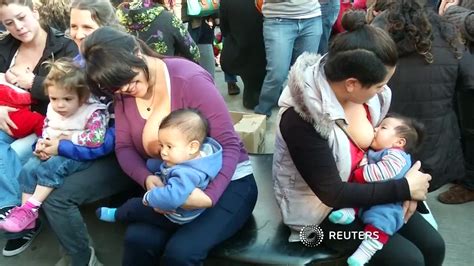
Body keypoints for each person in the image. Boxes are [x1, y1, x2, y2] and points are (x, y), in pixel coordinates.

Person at [273, 9, 444, 265]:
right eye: (378, 85)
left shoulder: (368, 98)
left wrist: (408, 191)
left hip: (368, 191)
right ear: (352, 83)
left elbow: (387, 143)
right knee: (408, 260)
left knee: (433, 246)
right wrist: (405, 187)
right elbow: (333, 194)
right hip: (321, 217)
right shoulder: (301, 118)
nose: (383, 90)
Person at [81, 26, 258, 265]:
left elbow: (229, 144)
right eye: (114, 87)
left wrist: (208, 196)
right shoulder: (122, 93)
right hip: (172, 181)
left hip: (226, 182)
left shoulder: (188, 80)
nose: (123, 90)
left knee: (181, 252)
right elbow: (124, 147)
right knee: (138, 240)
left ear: (136, 50)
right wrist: (146, 179)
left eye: (126, 80)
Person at [0, 0, 78, 257]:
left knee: (14, 151)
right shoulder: (5, 46)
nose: (17, 27)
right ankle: (12, 207)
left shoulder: (64, 46)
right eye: (9, 23)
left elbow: (72, 91)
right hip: (8, 115)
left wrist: (33, 82)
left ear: (35, 12)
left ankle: (21, 218)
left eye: (21, 18)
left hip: (48, 122)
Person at [372, 0, 474, 192]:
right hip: (438, 151)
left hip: (386, 148)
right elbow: (469, 80)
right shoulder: (449, 35)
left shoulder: (380, 30)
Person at [1, 58, 108, 233]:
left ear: (83, 97)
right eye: (54, 98)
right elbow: (48, 126)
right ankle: (25, 213)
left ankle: (31, 207)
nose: (59, 104)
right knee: (29, 168)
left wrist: (68, 138)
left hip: (79, 154)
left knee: (49, 168)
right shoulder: (54, 107)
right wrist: (42, 144)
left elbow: (96, 138)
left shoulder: (93, 111)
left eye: (67, 99)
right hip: (54, 149)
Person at [97, 108, 222, 226]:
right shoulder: (200, 155)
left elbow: (171, 198)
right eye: (162, 145)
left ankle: (117, 214)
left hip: (175, 215)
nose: (163, 151)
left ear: (192, 147)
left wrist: (148, 197)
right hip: (176, 186)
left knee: (134, 205)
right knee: (151, 163)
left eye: (169, 146)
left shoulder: (187, 173)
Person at [329, 114, 424, 265]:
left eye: (383, 127)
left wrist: (362, 173)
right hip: (369, 194)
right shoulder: (378, 151)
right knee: (357, 198)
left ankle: (365, 251)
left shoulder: (396, 155)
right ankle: (349, 211)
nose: (375, 129)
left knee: (381, 223)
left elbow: (387, 171)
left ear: (399, 142)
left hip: (387, 204)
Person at [254, 0, 323, 117]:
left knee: (306, 73)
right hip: (278, 19)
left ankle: (298, 112)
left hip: (312, 17)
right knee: (277, 73)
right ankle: (262, 113)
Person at [437, 0, 474, 203]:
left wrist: (453, 11)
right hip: (464, 62)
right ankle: (462, 174)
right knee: (461, 123)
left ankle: (470, 185)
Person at [116, 0, 200, 62]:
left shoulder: (116, 19)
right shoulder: (168, 19)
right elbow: (194, 54)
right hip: (163, 78)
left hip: (128, 81)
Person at [219, 0, 266, 109]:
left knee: (251, 97)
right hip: (264, 51)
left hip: (240, 55)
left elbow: (224, 30)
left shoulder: (227, 2)